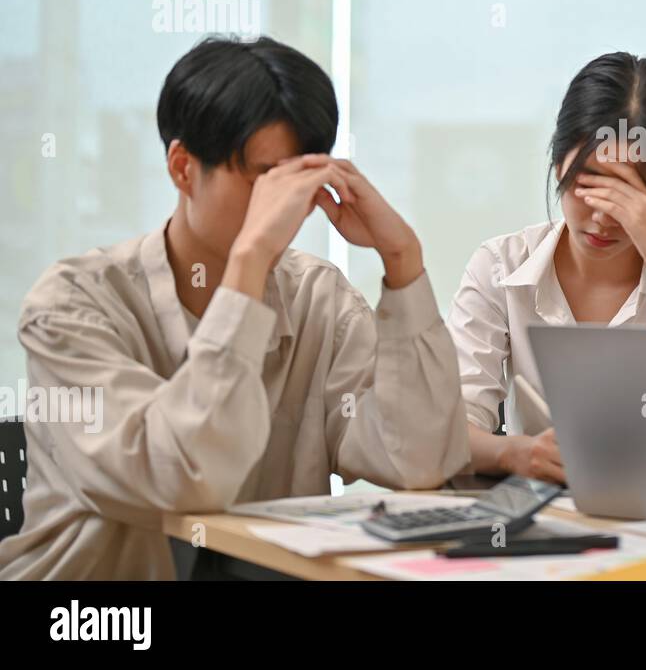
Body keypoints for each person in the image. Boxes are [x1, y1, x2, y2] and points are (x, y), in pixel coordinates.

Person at [0, 36, 470, 579]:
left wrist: (402, 260)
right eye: (261, 176)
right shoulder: (72, 304)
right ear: (182, 167)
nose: (283, 205)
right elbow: (184, 478)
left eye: (297, 179)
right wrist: (248, 266)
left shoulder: (317, 297)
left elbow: (419, 462)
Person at [450, 53, 646, 484]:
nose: (604, 216)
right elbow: (451, 428)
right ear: (558, 157)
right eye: (591, 183)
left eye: (634, 193)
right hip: (540, 518)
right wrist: (516, 452)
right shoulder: (501, 266)